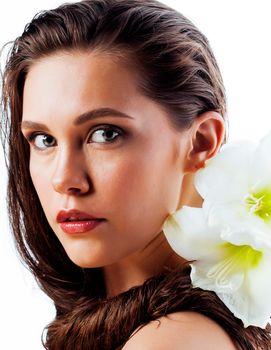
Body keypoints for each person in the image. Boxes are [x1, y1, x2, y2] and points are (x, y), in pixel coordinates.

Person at [1, 0, 270, 349]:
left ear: (201, 142)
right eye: (44, 140)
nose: (63, 179)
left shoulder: (174, 340)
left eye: (105, 134)